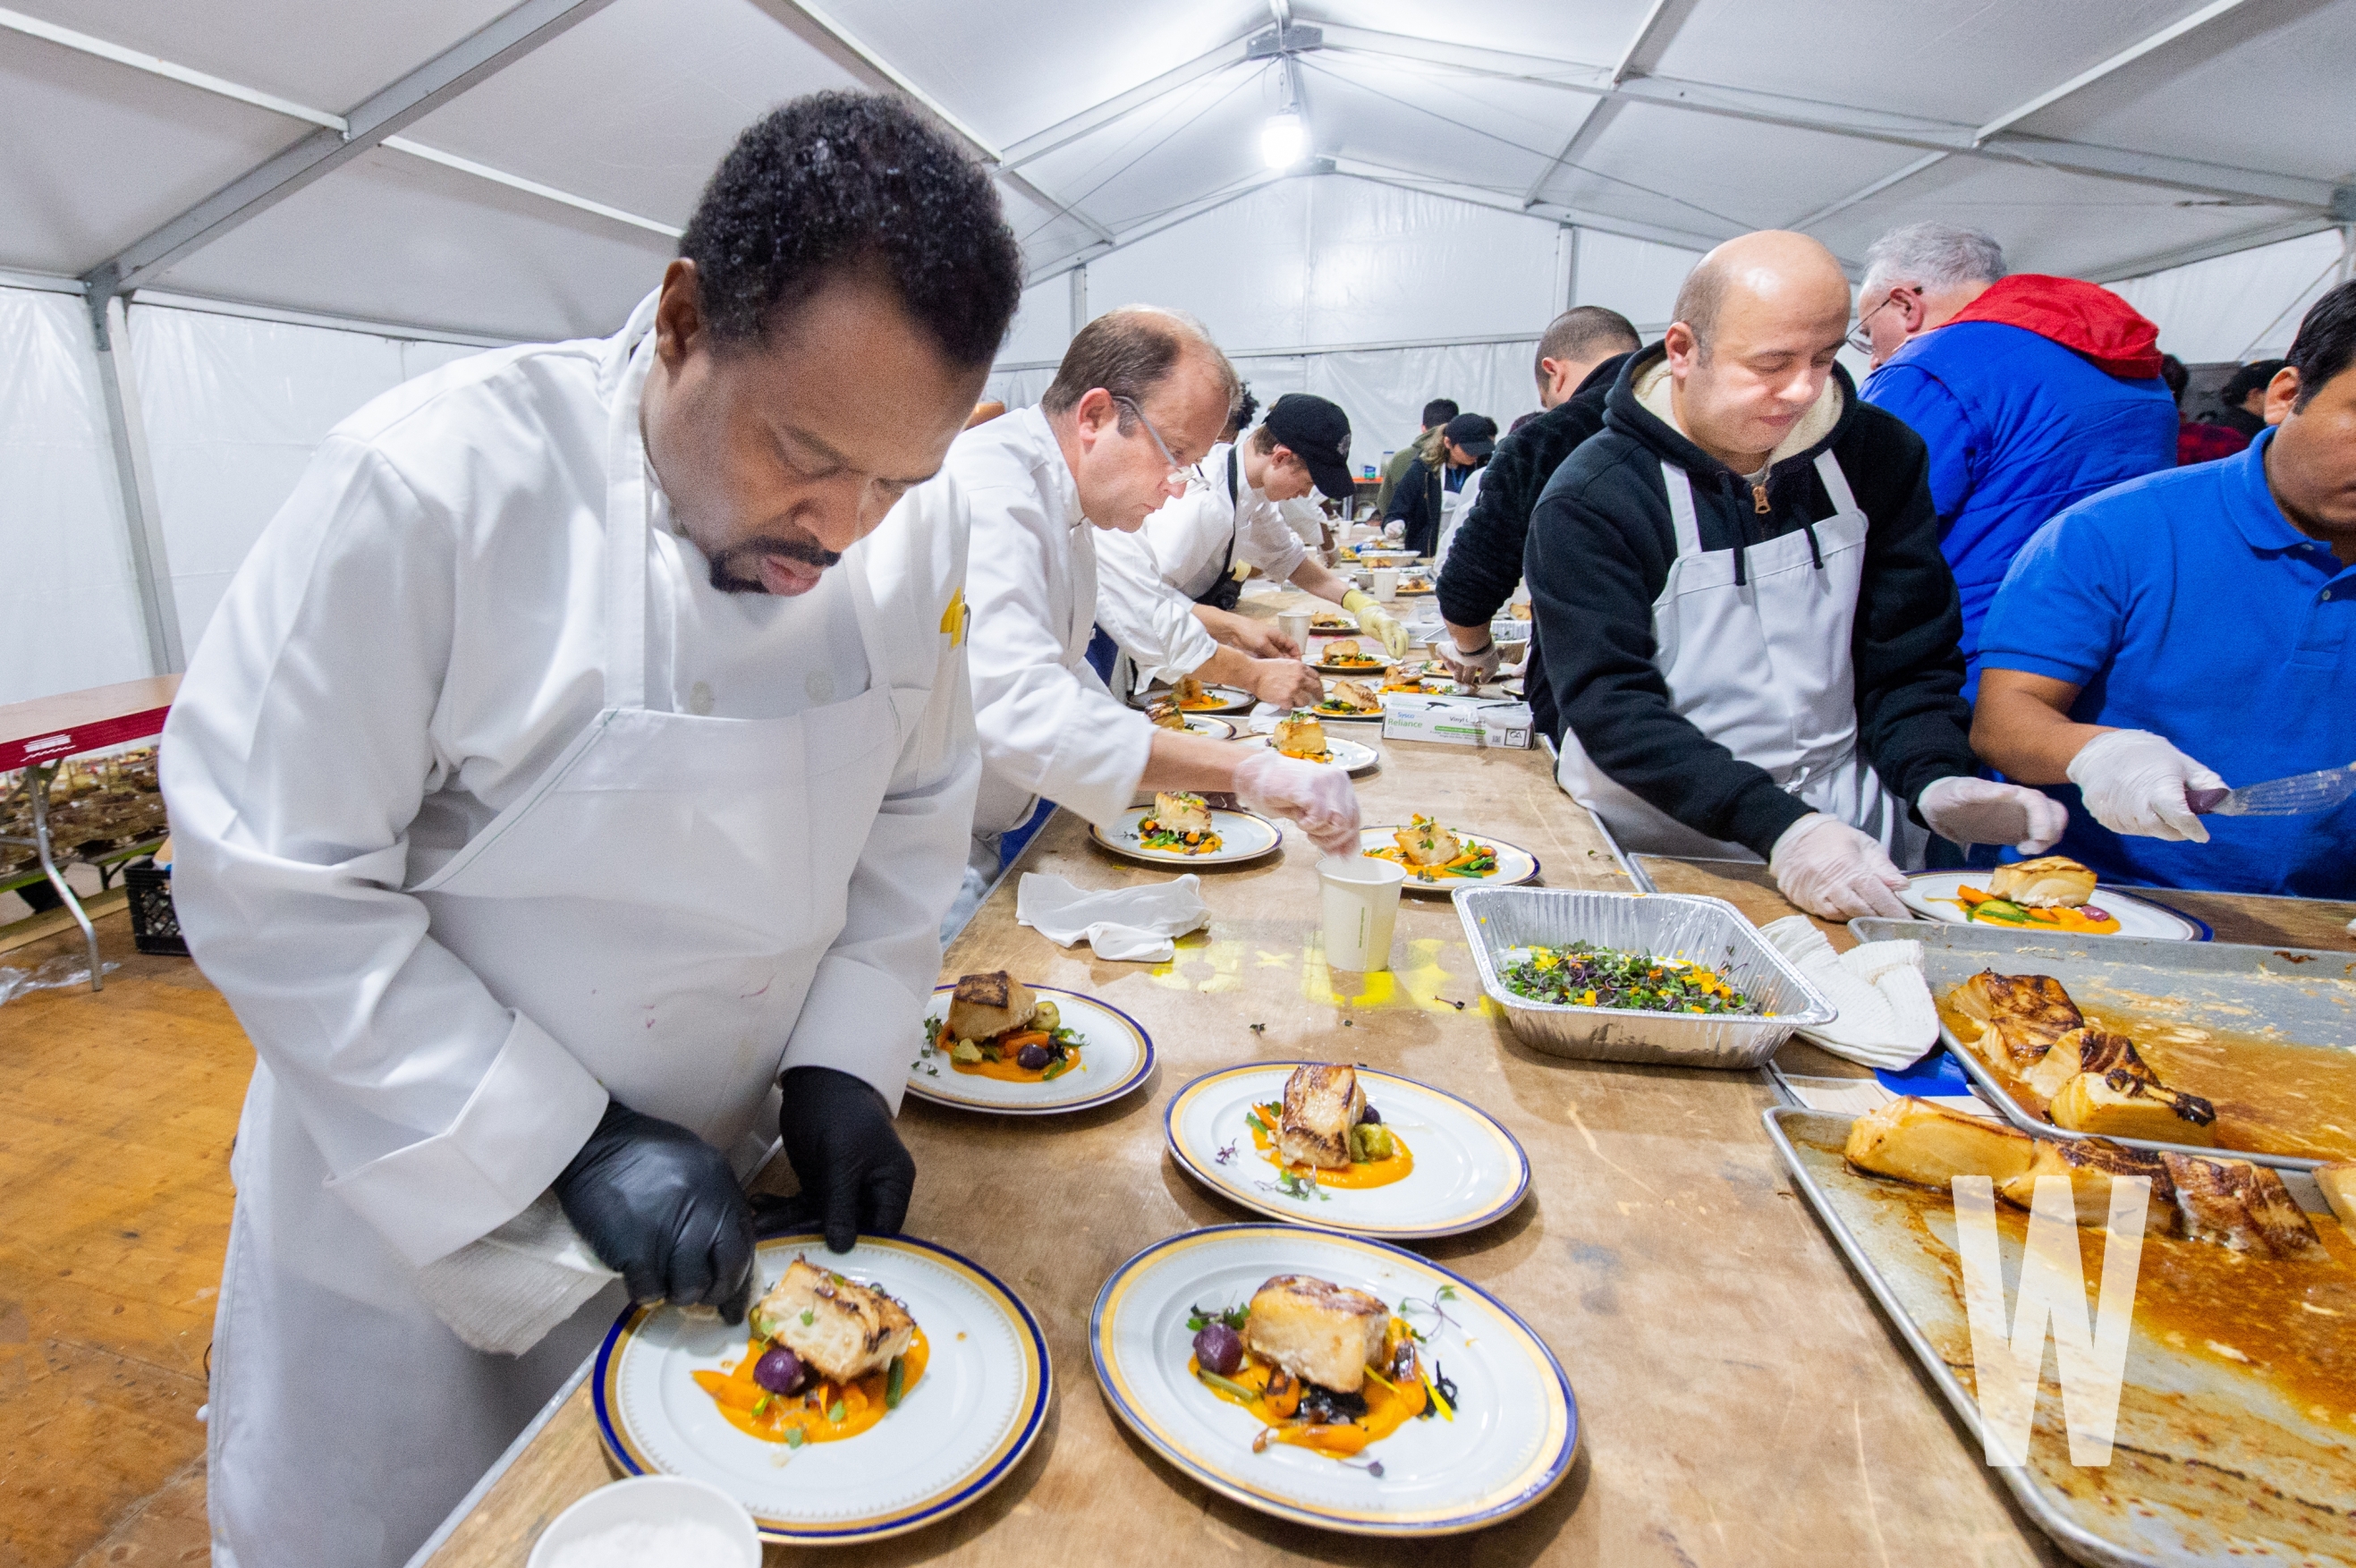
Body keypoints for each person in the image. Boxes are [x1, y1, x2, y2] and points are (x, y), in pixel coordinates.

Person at [158, 94, 1022, 1568]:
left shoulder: (905, 526)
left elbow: (914, 800)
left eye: (897, 481)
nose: (845, 528)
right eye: (803, 452)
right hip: (410, 1218)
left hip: (715, 1210)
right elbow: (265, 877)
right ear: (684, 319)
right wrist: (566, 1137)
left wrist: (841, 1062)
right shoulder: (433, 487)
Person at [1527, 231, 2064, 920]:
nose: (1804, 389)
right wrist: (1782, 826)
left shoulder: (1879, 456)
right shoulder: (1595, 496)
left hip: (1849, 831)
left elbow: (1906, 658)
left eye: (1826, 357)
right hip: (1656, 835)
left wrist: (1933, 777)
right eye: (1771, 364)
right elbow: (1612, 707)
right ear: (1685, 350)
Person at [952, 308, 1360, 907]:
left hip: (977, 827)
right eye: (1173, 452)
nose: (1178, 483)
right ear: (1095, 415)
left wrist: (1186, 766)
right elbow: (1024, 711)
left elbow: (1064, 673)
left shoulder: (1067, 504)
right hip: (925, 855)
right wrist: (1247, 770)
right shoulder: (999, 497)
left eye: (1191, 463)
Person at [1970, 281, 2356, 900]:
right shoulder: (2115, 532)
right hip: (2103, 901)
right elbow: (2003, 717)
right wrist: (2099, 753)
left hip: (2329, 923)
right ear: (2286, 395)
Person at [1853, 223, 2176, 698]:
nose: (1873, 362)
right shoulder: (2139, 373)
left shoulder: (1927, 368)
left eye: (1867, 336)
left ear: (1905, 305)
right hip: (2119, 648)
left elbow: (1860, 525)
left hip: (1976, 663)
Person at [1434, 305, 1642, 733]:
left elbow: (1466, 586)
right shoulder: (1701, 417)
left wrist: (1475, 652)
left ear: (1554, 372)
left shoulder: (1554, 436)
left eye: (1546, 399)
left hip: (1604, 708)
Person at [1122, 393, 1411, 659]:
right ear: (1281, 457)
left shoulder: (1252, 490)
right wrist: (1236, 629)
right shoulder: (1204, 502)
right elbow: (1148, 598)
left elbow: (1288, 558)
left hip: (1180, 631)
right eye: (1308, 483)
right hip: (1143, 642)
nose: (1305, 495)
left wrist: (1358, 603)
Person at [1388, 411, 1496, 557]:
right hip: (1429, 553)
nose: (1474, 454)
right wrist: (1394, 524)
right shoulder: (1423, 470)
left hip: (1473, 554)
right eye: (1468, 449)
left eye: (1479, 448)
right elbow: (1397, 509)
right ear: (1448, 443)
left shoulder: (1487, 468)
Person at [1373, 397, 1457, 517]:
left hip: (1409, 532)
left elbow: (1385, 504)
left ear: (1423, 428)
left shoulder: (1401, 459)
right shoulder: (1465, 458)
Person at [2214, 358, 2287, 440]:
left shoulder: (2220, 425)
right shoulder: (2255, 435)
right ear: (2255, 395)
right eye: (2286, 392)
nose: (2294, 398)